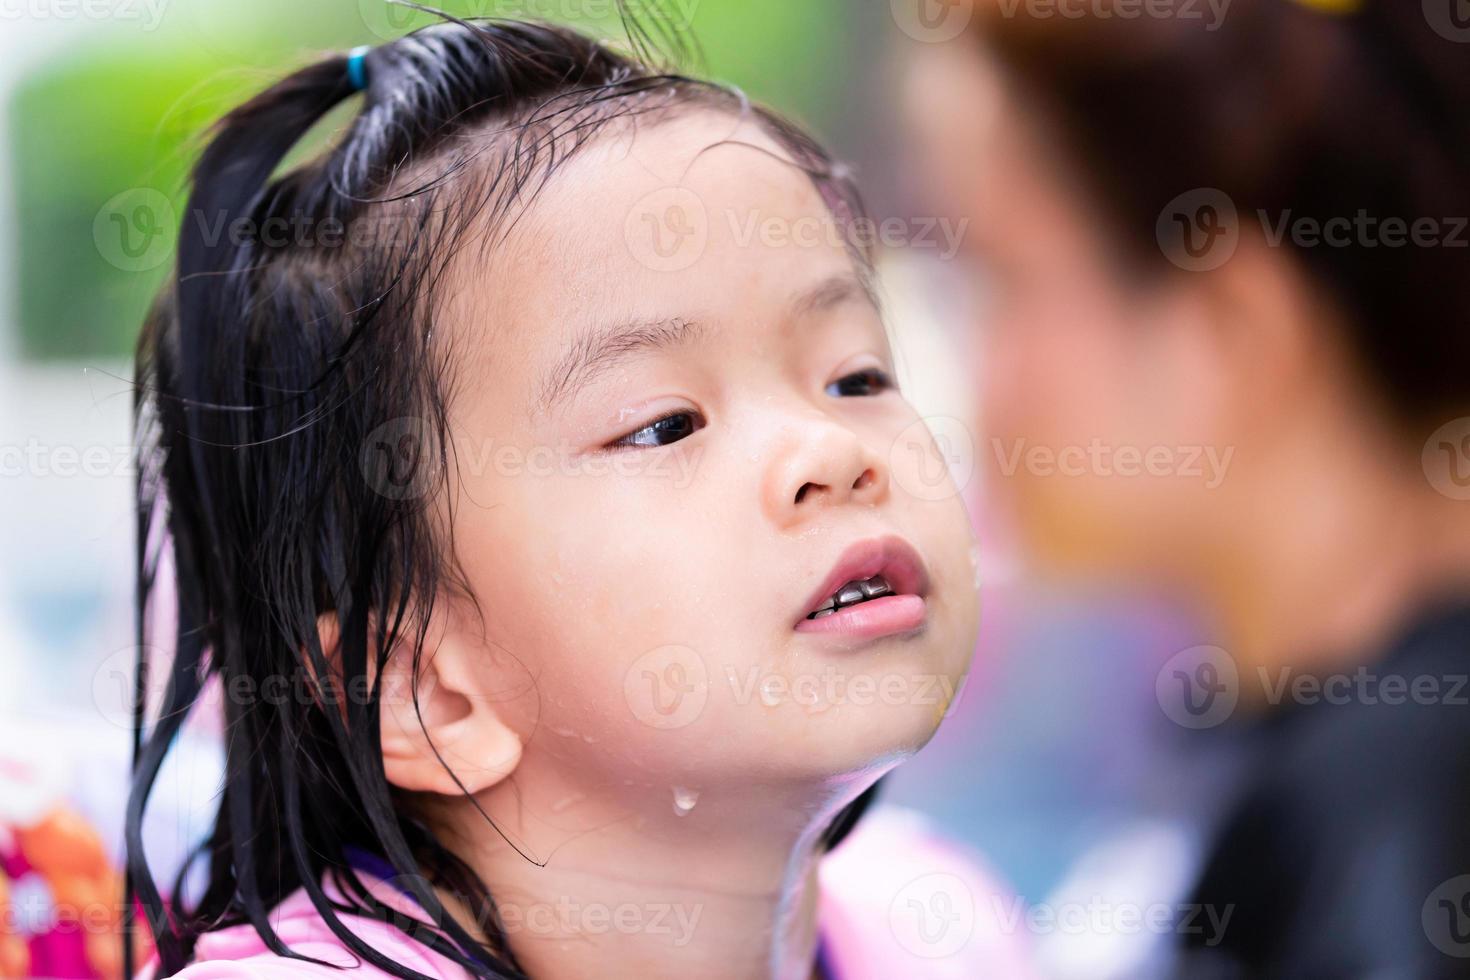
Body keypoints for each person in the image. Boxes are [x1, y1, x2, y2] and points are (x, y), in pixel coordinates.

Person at [124, 15, 1030, 980]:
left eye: (856, 377)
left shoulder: (944, 929)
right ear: (426, 694)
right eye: (663, 425)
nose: (832, 449)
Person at [903, 0, 1470, 975]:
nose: (979, 375)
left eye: (1006, 279)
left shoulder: (1385, 817)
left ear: (1233, 328)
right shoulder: (1317, 777)